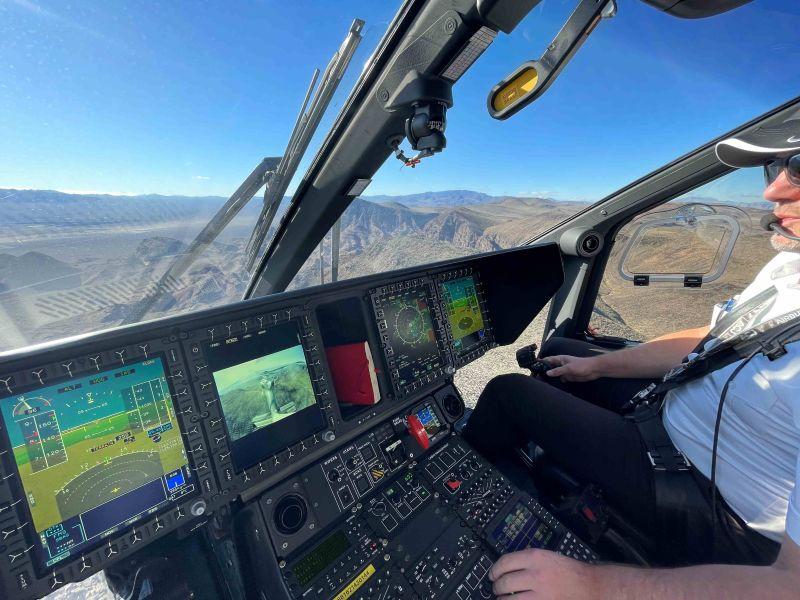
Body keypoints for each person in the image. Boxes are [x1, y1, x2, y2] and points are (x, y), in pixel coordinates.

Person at [463, 111, 800, 598]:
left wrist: (593, 585)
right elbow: (718, 337)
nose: (771, 193)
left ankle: (464, 487)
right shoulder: (790, 266)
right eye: (777, 169)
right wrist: (596, 365)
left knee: (507, 391)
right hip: (673, 419)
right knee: (558, 352)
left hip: (705, 498)